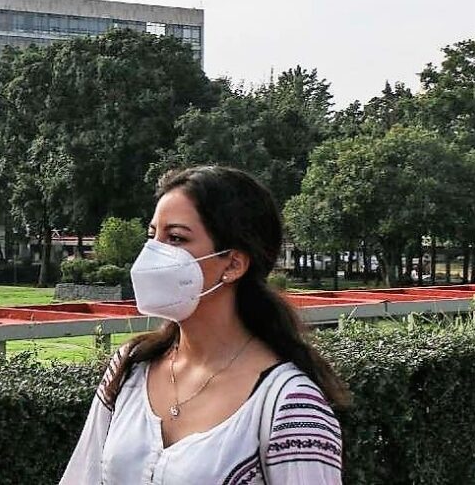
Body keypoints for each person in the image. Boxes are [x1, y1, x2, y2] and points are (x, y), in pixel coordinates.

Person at [60, 166, 349, 484]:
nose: (154, 253)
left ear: (234, 264)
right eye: (152, 235)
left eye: (176, 238)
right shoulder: (129, 368)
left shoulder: (289, 405)